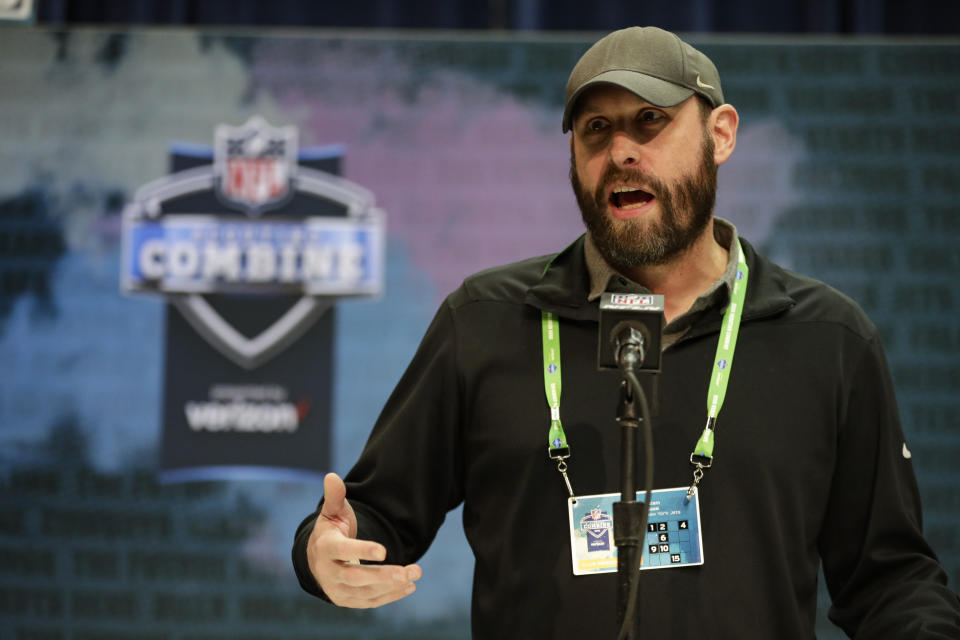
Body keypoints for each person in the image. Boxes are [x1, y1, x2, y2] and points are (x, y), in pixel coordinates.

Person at [293, 26, 960, 638]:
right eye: (595, 130)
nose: (620, 151)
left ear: (721, 135)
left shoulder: (828, 339)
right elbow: (375, 515)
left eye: (651, 122)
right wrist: (323, 550)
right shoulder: (487, 321)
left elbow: (889, 578)